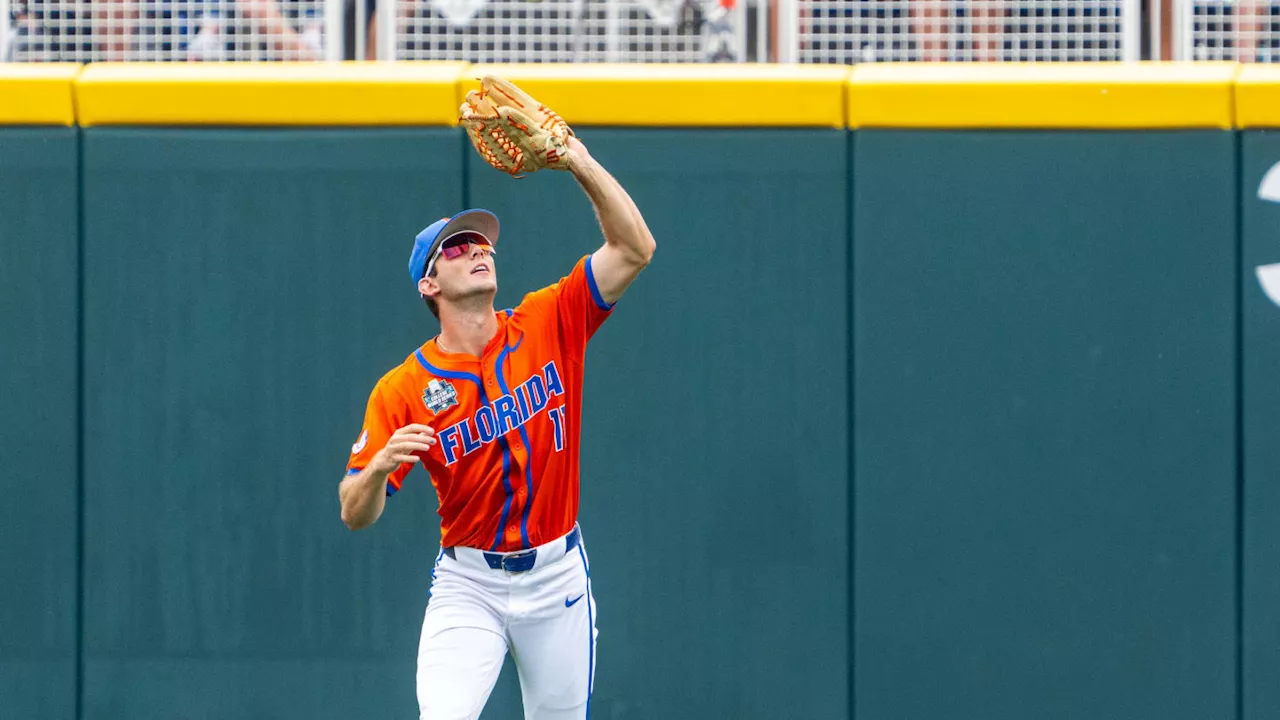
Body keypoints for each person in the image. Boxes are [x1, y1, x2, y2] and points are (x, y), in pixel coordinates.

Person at [338, 134, 655, 720]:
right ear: (428, 285)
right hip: (470, 584)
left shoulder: (548, 320)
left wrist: (577, 162)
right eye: (456, 249)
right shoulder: (404, 388)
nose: (477, 249)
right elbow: (353, 513)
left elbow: (635, 248)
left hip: (557, 575)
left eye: (480, 241)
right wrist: (378, 470)